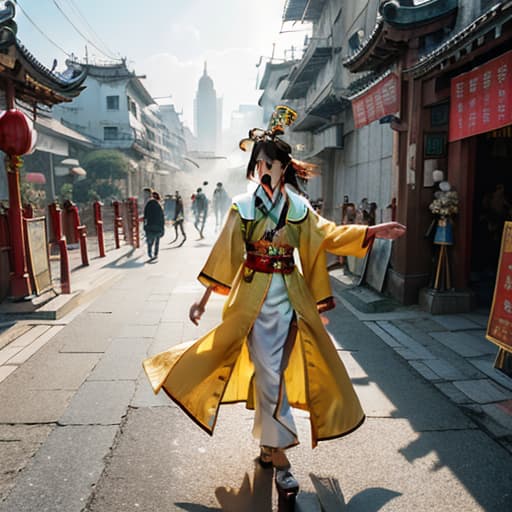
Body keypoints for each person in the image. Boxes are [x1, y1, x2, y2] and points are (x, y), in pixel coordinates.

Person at [142, 106, 406, 500]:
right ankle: (282, 461)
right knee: (269, 376)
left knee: (274, 375)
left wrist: (370, 231)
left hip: (291, 300)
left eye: (271, 162)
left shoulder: (299, 210)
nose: (264, 168)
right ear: (255, 168)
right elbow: (225, 255)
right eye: (259, 163)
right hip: (251, 301)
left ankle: (268, 447)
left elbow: (329, 235)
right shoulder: (243, 207)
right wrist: (202, 300)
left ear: (285, 168)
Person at [143, 188, 164, 261]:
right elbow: (162, 217)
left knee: (150, 241)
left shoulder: (148, 204)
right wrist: (162, 228)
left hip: (150, 226)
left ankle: (150, 253)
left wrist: (145, 226)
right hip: (157, 226)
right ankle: (155, 254)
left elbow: (145, 216)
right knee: (157, 241)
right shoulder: (159, 205)